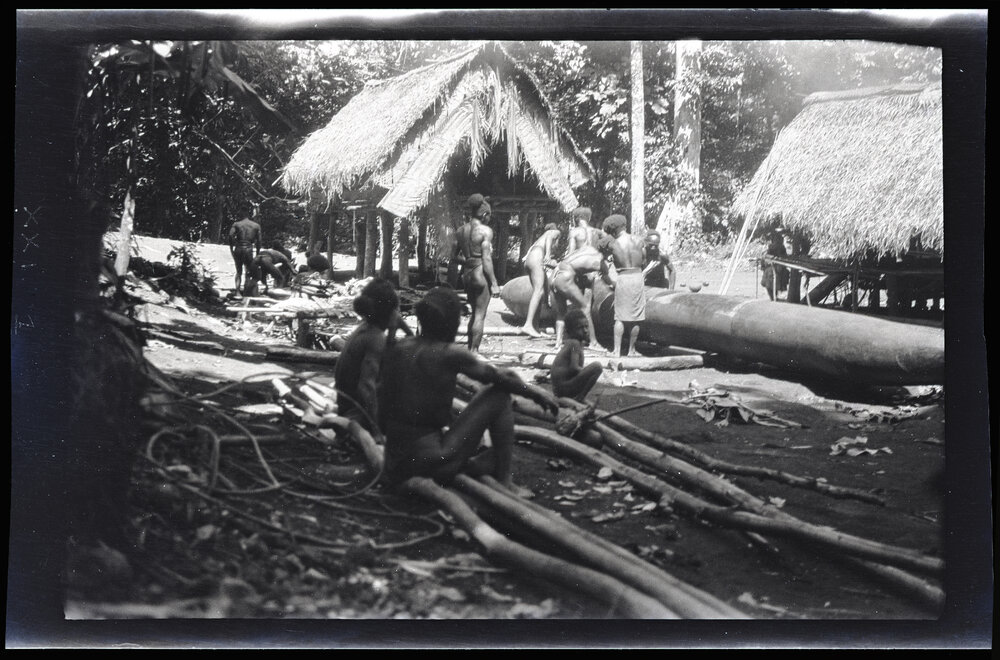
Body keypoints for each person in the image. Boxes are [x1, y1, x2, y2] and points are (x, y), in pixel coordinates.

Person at [378, 287, 559, 496]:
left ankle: (474, 465)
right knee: (499, 396)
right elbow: (503, 379)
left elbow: (382, 412)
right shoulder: (449, 353)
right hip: (431, 463)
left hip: (396, 463)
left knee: (484, 455)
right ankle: (505, 481)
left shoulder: (401, 348)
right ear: (452, 323)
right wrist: (537, 394)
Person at [334, 279, 411, 432]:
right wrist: (376, 431)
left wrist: (405, 330)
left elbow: (403, 328)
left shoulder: (366, 327)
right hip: (355, 414)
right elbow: (366, 388)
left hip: (346, 405)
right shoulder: (375, 338)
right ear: (389, 311)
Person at [453, 193, 499, 352]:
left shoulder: (460, 230)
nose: (489, 218)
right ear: (485, 214)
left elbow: (454, 257)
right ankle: (474, 351)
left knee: (474, 314)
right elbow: (486, 259)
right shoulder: (485, 231)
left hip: (467, 275)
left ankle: (469, 349)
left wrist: (469, 261)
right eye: (489, 215)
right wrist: (494, 283)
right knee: (480, 315)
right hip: (481, 273)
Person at [549, 240, 613, 350]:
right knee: (585, 308)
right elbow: (602, 278)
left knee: (561, 312)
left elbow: (577, 265)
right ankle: (593, 343)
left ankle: (558, 343)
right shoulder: (599, 262)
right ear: (608, 252)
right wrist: (614, 286)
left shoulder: (587, 249)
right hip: (565, 277)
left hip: (554, 275)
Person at [602, 214, 647, 357]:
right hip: (637, 276)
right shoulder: (639, 240)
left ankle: (616, 351)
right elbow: (644, 260)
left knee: (620, 317)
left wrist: (608, 278)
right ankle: (631, 350)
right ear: (624, 225)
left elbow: (601, 262)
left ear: (613, 230)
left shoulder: (613, 244)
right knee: (636, 316)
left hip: (623, 278)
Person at [519, 222, 563, 338]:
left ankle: (535, 328)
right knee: (538, 291)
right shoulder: (553, 232)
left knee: (541, 292)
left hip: (530, 260)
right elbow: (550, 236)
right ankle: (528, 325)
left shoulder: (538, 240)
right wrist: (548, 255)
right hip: (536, 258)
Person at [550, 308, 603, 402]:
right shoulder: (575, 344)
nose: (585, 330)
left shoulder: (573, 343)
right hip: (563, 388)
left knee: (592, 369)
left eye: (586, 326)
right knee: (597, 367)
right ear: (570, 330)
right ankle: (580, 398)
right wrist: (587, 372)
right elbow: (574, 368)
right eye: (580, 328)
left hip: (559, 389)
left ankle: (579, 397)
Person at [228, 216, 261, 296]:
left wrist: (232, 248)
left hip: (239, 248)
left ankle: (238, 292)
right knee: (248, 271)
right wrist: (257, 252)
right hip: (249, 249)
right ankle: (247, 292)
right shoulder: (256, 226)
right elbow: (259, 241)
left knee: (239, 272)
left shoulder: (237, 224)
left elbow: (230, 236)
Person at [760, 229, 789, 301]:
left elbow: (781, 257)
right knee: (771, 284)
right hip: (775, 267)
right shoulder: (779, 247)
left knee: (771, 284)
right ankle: (774, 297)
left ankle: (774, 298)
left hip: (776, 267)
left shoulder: (775, 247)